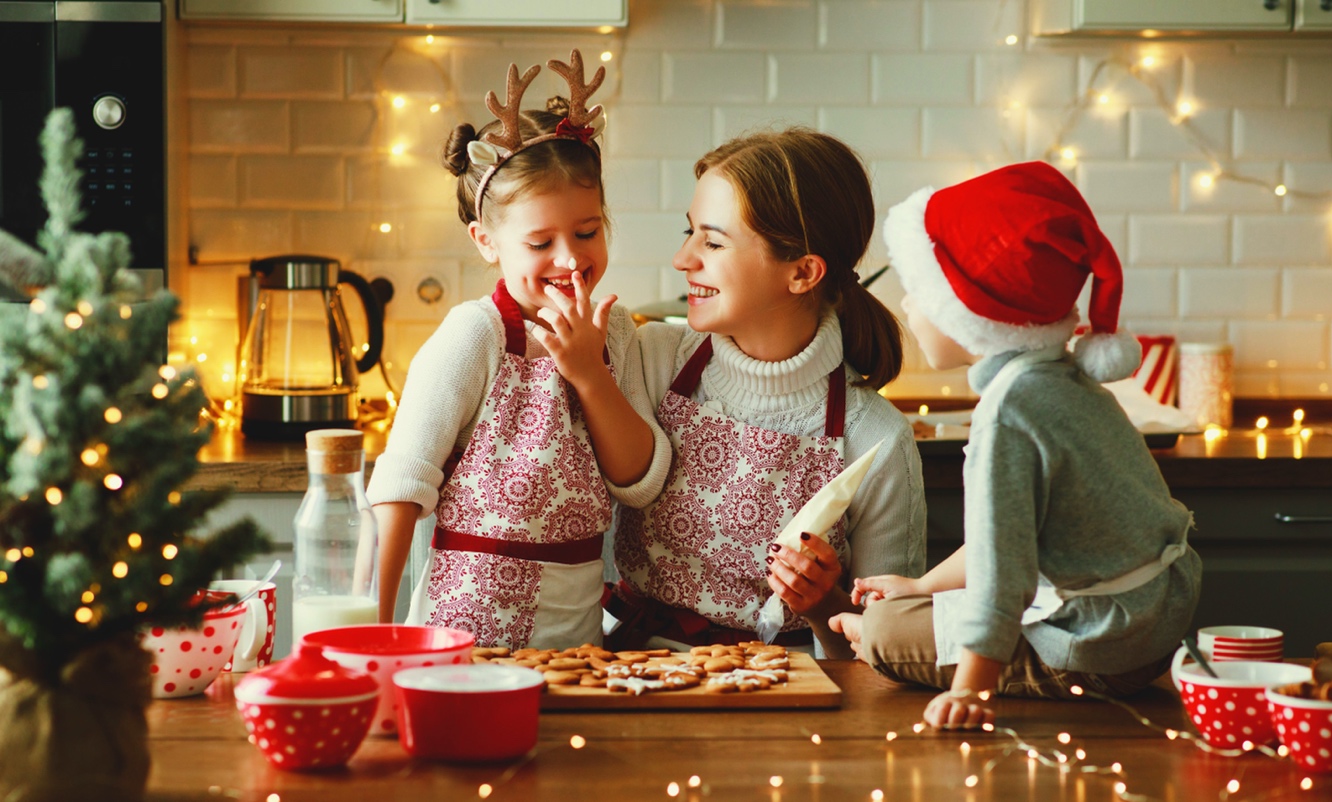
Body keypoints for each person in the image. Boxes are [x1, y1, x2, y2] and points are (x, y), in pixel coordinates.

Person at [829, 161, 1202, 729]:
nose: (906, 306)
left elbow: (1005, 573)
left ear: (971, 312)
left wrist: (970, 690)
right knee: (911, 605)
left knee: (885, 629)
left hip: (1096, 646)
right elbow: (1007, 540)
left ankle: (885, 640)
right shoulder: (1064, 379)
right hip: (1147, 620)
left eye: (919, 291)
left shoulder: (1008, 415)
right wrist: (922, 586)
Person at [367, 51, 670, 649]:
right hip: (463, 629)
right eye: (540, 241)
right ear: (487, 241)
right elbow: (403, 482)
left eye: (587, 232)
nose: (570, 258)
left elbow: (638, 480)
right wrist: (375, 627)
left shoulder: (615, 335)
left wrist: (590, 375)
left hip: (574, 636)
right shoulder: (473, 335)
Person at [606, 128, 927, 658]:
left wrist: (826, 606)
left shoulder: (876, 439)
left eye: (712, 242)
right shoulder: (653, 360)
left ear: (802, 272)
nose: (683, 259)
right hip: (634, 670)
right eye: (689, 233)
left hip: (787, 697)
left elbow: (884, 655)